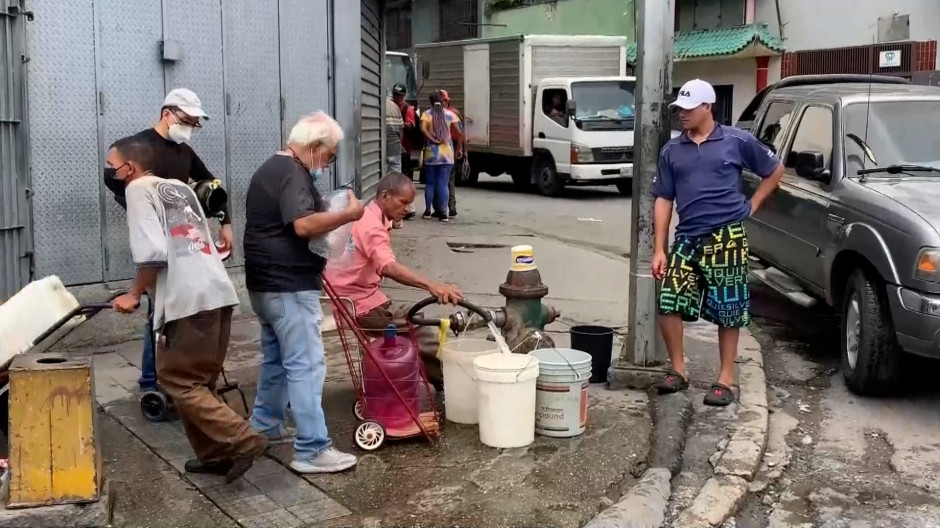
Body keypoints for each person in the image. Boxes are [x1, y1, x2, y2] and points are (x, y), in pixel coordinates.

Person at [108, 136, 265, 482]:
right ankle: (213, 455)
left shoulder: (137, 191)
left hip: (188, 302)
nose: (110, 172)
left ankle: (243, 439)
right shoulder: (180, 188)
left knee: (177, 380)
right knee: (200, 383)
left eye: (112, 165)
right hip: (217, 294)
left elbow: (152, 253)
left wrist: (133, 293)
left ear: (129, 168)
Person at [243, 112, 364, 474]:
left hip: (265, 284)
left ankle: (265, 427)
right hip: (288, 286)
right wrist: (348, 214)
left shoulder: (270, 169)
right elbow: (303, 225)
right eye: (328, 157)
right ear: (314, 147)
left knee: (278, 361)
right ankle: (312, 448)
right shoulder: (293, 172)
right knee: (307, 366)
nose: (326, 165)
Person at [651, 79, 784, 406]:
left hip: (727, 237)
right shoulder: (672, 150)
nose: (682, 114)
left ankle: (725, 379)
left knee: (729, 309)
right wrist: (659, 248)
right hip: (687, 238)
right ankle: (678, 371)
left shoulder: (737, 141)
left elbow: (775, 169)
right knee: (670, 301)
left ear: (707, 107)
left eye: (688, 108)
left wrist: (752, 205)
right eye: (679, 109)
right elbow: (663, 200)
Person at [103, 88, 232, 397]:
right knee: (157, 311)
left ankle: (171, 379)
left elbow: (211, 184)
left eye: (194, 123)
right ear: (167, 114)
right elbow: (118, 184)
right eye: (187, 121)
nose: (190, 128)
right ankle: (153, 381)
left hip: (182, 247)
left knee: (172, 315)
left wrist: (225, 221)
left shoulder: (183, 150)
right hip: (157, 243)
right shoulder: (136, 149)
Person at [324, 172, 463, 387]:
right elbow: (388, 266)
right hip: (358, 305)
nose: (407, 209)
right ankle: (448, 385)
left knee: (414, 315)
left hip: (359, 297)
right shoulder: (370, 225)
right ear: (385, 196)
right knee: (421, 327)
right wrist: (432, 286)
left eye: (410, 204)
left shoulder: (371, 216)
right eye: (403, 202)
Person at [420, 90, 462, 222]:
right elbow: (460, 132)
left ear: (431, 101)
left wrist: (431, 138)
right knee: (443, 184)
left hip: (432, 153)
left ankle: (428, 211)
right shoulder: (450, 114)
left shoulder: (426, 114)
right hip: (447, 153)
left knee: (430, 183)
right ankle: (443, 213)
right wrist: (459, 148)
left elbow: (422, 128)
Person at [392, 84, 418, 221]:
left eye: (399, 95)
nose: (397, 97)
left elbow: (411, 124)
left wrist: (400, 123)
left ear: (403, 96)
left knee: (406, 176)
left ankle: (408, 205)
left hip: (405, 146)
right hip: (393, 147)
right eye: (395, 95)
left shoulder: (408, 109)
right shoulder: (390, 106)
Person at [440, 90, 466, 218]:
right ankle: (449, 206)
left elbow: (460, 133)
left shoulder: (433, 114)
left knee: (445, 179)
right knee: (448, 179)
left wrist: (461, 149)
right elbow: (461, 132)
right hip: (450, 148)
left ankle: (447, 207)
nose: (443, 102)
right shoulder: (453, 113)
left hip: (450, 147)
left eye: (444, 100)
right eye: (442, 100)